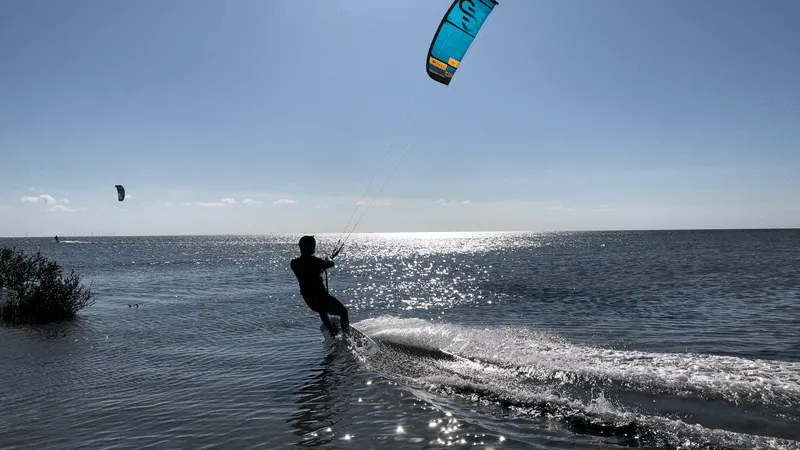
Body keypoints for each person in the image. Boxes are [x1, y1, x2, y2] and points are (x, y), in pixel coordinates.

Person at [290, 235, 349, 335]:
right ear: (312, 247)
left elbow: (309, 269)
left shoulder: (294, 263)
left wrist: (321, 266)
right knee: (343, 311)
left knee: (321, 310)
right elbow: (330, 264)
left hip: (309, 300)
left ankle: (331, 331)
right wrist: (328, 258)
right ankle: (346, 335)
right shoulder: (317, 262)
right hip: (322, 298)